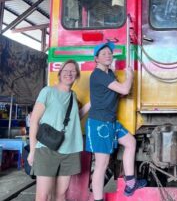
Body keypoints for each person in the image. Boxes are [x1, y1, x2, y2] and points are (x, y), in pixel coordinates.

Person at [85, 41, 146, 201]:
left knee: (131, 143)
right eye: (103, 53)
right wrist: (130, 76)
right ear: (96, 59)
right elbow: (124, 89)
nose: (108, 55)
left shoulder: (108, 74)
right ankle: (98, 199)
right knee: (101, 164)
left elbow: (116, 93)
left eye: (110, 53)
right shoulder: (98, 74)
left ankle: (131, 183)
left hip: (110, 122)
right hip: (100, 123)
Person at [27, 59, 83, 201]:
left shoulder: (73, 96)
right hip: (46, 150)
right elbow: (34, 121)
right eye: (65, 70)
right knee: (43, 196)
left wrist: (93, 103)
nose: (69, 73)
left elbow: (74, 118)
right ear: (59, 73)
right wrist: (32, 151)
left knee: (61, 194)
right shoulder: (48, 92)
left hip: (69, 151)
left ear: (76, 75)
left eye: (72, 71)